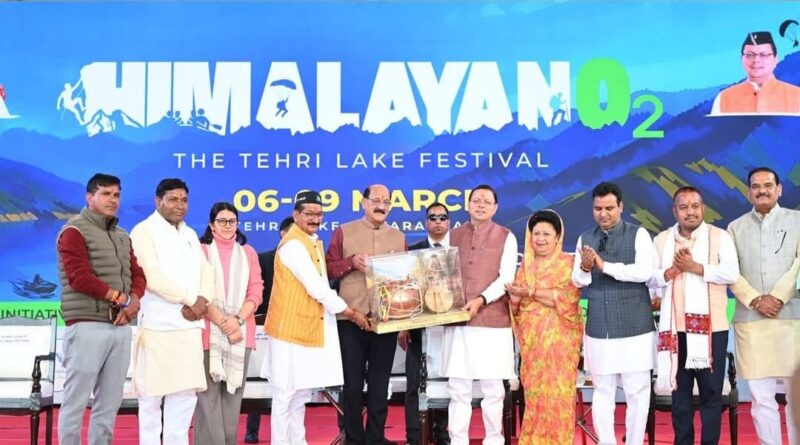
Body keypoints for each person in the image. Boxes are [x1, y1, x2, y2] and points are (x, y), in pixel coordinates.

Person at [265, 190, 371, 444]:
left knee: (300, 395)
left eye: (319, 214)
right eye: (309, 213)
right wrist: (350, 313)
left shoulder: (312, 241)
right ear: (296, 215)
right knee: (285, 396)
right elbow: (317, 288)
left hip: (306, 330)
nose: (315, 218)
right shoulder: (293, 245)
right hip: (288, 331)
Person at [56, 173, 145, 445]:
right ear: (89, 197)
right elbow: (78, 277)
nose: (112, 200)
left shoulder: (122, 235)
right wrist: (119, 298)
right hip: (86, 325)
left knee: (109, 404)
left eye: (116, 195)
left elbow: (138, 275)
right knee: (75, 402)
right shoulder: (73, 231)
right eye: (105, 194)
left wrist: (134, 302)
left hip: (120, 327)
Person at [649, 187, 739, 445]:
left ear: (703, 208)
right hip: (675, 331)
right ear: (674, 211)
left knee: (711, 394)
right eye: (684, 207)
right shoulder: (662, 241)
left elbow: (731, 273)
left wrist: (695, 268)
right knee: (680, 396)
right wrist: (668, 274)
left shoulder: (719, 237)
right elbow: (651, 280)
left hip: (712, 331)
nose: (690, 212)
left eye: (695, 206)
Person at [130, 178, 214, 445]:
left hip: (189, 328)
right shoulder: (143, 231)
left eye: (184, 200)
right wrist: (191, 299)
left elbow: (207, 272)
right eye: (173, 199)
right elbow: (152, 277)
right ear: (158, 202)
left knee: (185, 397)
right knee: (151, 399)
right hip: (158, 327)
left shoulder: (188, 233)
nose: (180, 205)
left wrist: (202, 301)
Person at [571, 181, 656, 445]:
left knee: (637, 392)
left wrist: (603, 265)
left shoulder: (639, 234)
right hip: (600, 328)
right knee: (602, 391)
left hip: (635, 327)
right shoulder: (585, 238)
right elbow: (577, 281)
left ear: (621, 207)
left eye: (609, 208)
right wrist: (586, 268)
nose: (603, 214)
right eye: (598, 208)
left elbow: (645, 272)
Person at [326, 184, 406, 445]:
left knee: (380, 384)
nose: (381, 205)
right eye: (376, 200)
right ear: (363, 202)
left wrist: (404, 322)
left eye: (386, 201)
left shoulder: (399, 237)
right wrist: (350, 263)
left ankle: (375, 437)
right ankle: (353, 438)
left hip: (386, 321)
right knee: (351, 384)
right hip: (350, 318)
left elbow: (407, 281)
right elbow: (328, 269)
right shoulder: (343, 232)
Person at [727, 167, 800, 445]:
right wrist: (756, 300)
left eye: (768, 185)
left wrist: (778, 297)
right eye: (756, 186)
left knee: (797, 396)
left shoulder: (797, 220)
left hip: (792, 317)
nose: (762, 191)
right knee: (761, 397)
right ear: (749, 192)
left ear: (779, 189)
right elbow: (729, 271)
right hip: (751, 320)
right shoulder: (735, 227)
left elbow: (799, 265)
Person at [443, 184, 517, 445]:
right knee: (458, 388)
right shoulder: (452, 236)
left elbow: (507, 278)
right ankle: (458, 440)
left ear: (495, 207)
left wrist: (481, 299)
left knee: (493, 389)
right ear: (468, 205)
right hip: (458, 322)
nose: (481, 205)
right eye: (476, 200)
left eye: (487, 201)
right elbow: (442, 276)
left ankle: (494, 440)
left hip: (493, 322)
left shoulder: (506, 236)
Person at [505, 209, 582, 445]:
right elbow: (517, 311)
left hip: (560, 346)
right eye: (536, 233)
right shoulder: (525, 267)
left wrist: (530, 292)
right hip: (533, 349)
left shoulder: (569, 264)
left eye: (546, 234)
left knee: (559, 398)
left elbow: (569, 299)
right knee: (535, 399)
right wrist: (515, 300)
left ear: (558, 237)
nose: (540, 239)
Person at [194, 202, 264, 445]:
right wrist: (224, 322)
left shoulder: (248, 253)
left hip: (241, 333)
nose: (227, 225)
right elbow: (197, 292)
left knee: (233, 398)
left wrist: (237, 320)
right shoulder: (200, 251)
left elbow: (256, 291)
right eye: (221, 221)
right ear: (212, 224)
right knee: (208, 400)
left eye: (231, 221)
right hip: (208, 332)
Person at [398, 202, 452, 445]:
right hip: (418, 328)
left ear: (449, 222)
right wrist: (403, 325)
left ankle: (442, 433)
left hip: (450, 328)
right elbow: (405, 290)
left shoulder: (457, 253)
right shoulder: (413, 253)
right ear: (425, 222)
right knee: (414, 383)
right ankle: (414, 436)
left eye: (442, 217)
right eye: (433, 217)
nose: (438, 221)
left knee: (447, 382)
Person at [244, 216, 294, 444]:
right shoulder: (264, 259)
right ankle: (252, 428)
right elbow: (256, 292)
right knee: (259, 376)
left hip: (295, 328)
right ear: (283, 233)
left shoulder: (310, 259)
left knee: (288, 385)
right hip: (265, 327)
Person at [711, 31, 800, 114]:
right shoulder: (724, 98)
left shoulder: (796, 95)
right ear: (741, 59)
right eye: (749, 55)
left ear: (775, 59)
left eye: (763, 55)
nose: (756, 60)